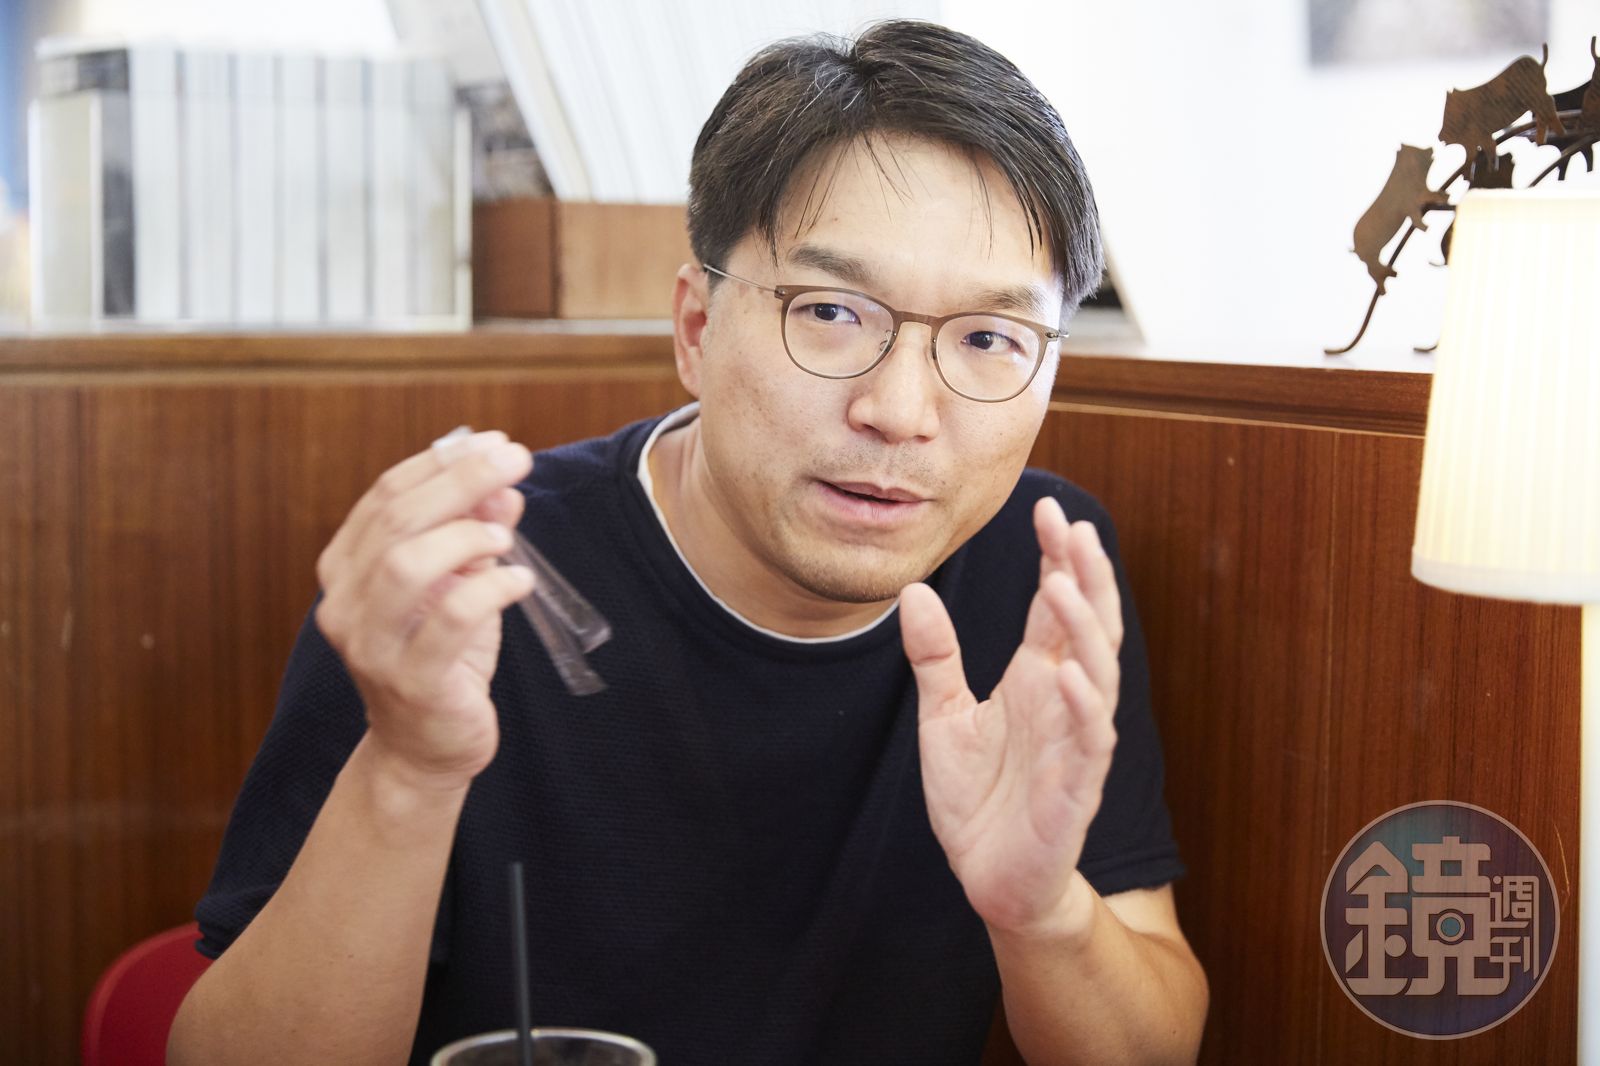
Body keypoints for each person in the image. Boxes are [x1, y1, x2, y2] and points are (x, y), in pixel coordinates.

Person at [170, 19, 1207, 1066]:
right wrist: (408, 769)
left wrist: (1043, 915)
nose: (900, 412)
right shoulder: (472, 582)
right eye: (830, 312)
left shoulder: (1041, 569)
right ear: (697, 329)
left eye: (989, 338)